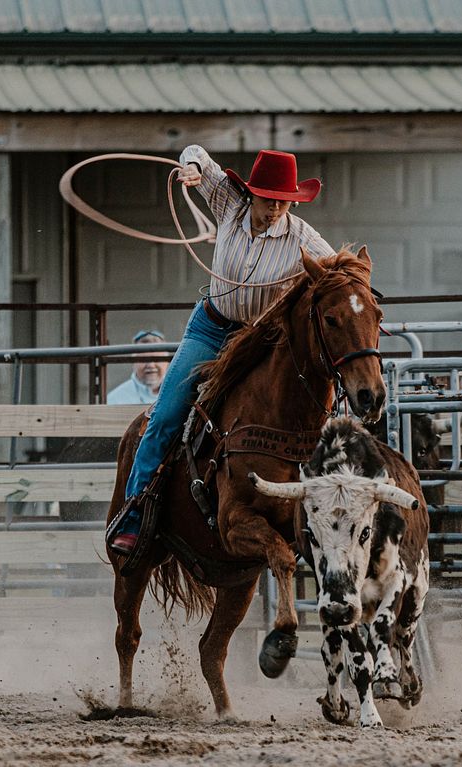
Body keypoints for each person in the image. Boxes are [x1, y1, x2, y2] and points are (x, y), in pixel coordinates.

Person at [109, 146, 336, 554]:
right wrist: (192, 168)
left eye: (283, 202)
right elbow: (195, 151)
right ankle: (135, 513)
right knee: (165, 415)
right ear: (252, 194)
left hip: (259, 340)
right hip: (211, 330)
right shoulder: (229, 205)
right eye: (268, 200)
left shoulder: (303, 238)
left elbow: (339, 272)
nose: (275, 210)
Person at [107, 329, 169, 405]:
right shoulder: (115, 400)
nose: (151, 365)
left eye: (156, 359)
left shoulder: (177, 393)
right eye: (144, 359)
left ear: (167, 362)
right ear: (133, 363)